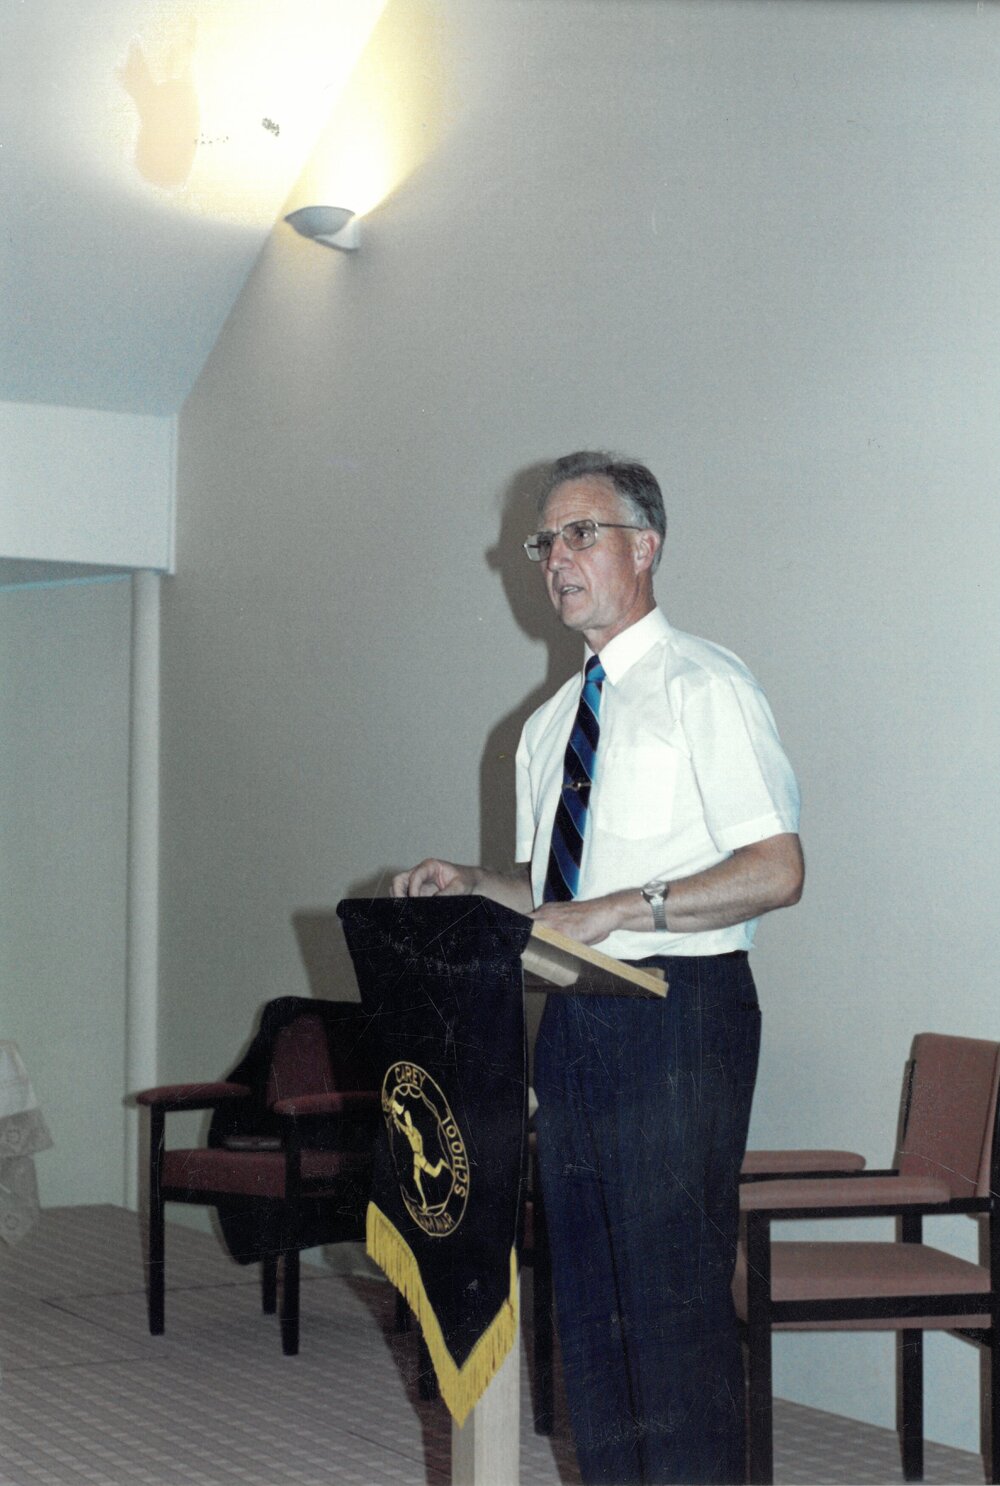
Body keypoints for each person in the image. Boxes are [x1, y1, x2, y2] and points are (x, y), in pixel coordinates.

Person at [392, 451, 803, 1485]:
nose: (556, 558)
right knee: (590, 1314)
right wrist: (476, 886)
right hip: (574, 1025)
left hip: (679, 1017)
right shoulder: (543, 731)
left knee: (669, 1312)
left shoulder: (703, 685)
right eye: (545, 542)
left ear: (644, 547)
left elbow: (775, 868)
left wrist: (625, 908)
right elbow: (550, 889)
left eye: (581, 533)